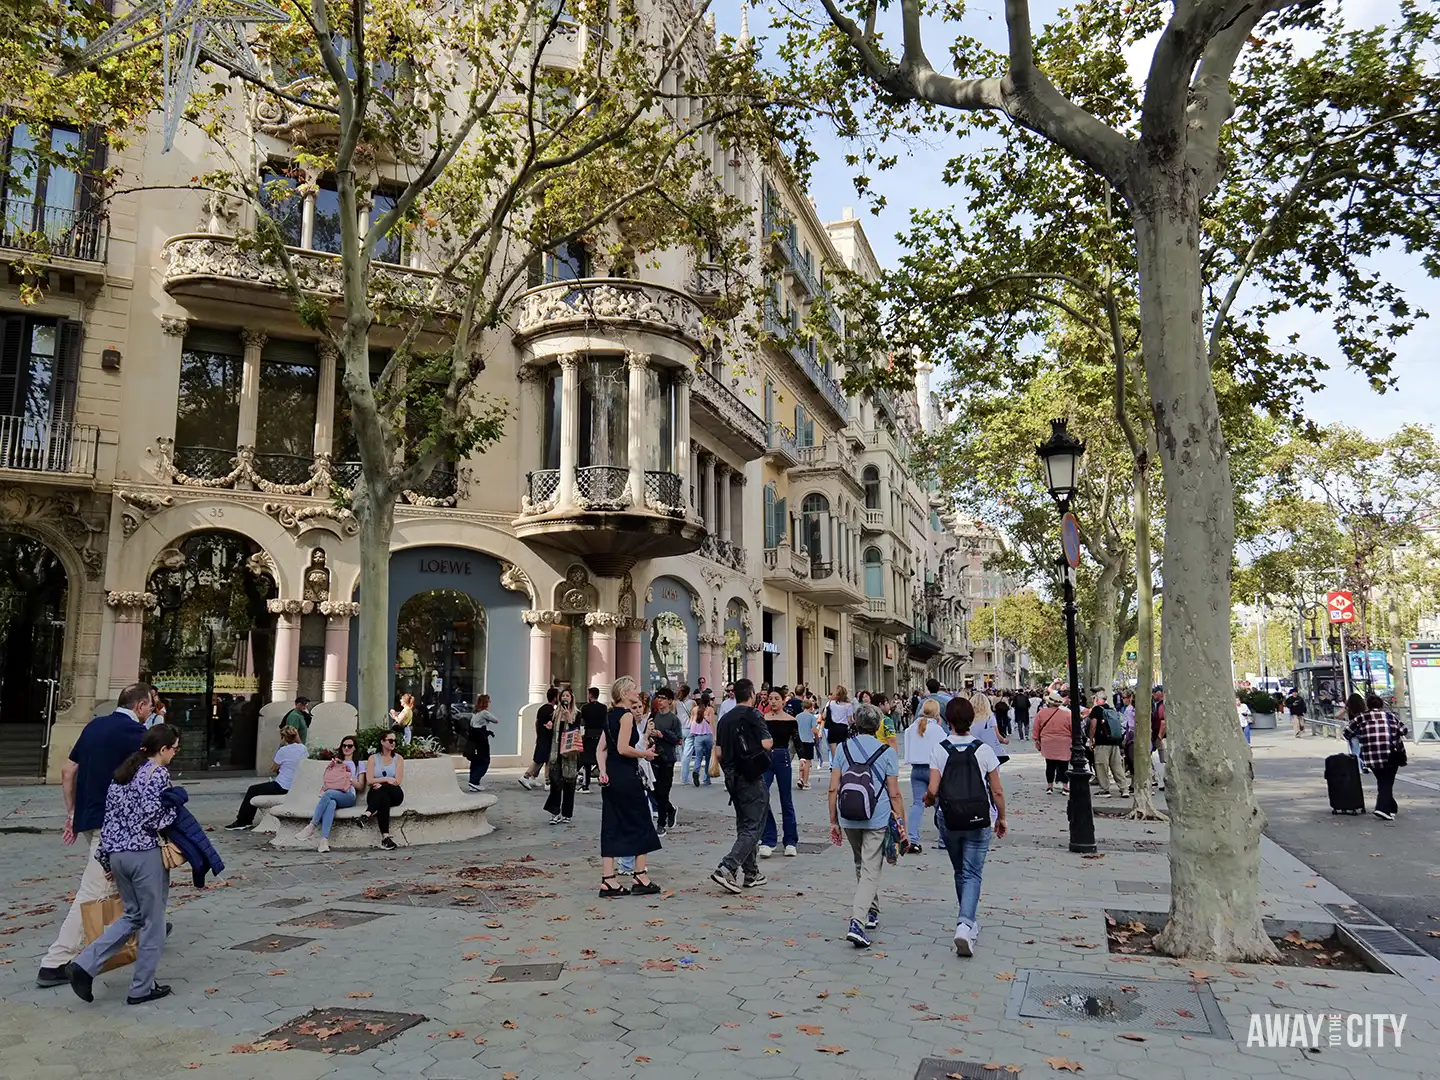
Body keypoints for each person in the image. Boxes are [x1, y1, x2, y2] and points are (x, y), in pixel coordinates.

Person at [37, 682, 153, 989]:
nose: (151, 711)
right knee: (94, 887)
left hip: (88, 817)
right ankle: (55, 961)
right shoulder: (137, 735)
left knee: (117, 880)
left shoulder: (93, 727)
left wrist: (72, 812)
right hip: (114, 824)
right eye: (150, 706)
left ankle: (141, 928)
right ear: (140, 706)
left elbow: (68, 771)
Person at [67, 723, 182, 1006]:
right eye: (175, 748)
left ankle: (85, 963)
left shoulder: (122, 775)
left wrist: (106, 857)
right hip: (145, 855)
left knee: (133, 916)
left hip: (118, 854)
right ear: (164, 749)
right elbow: (154, 818)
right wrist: (176, 805)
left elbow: (110, 821)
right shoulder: (157, 774)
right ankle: (141, 987)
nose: (175, 754)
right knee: (153, 921)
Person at [926, 697, 1006, 957]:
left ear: (947, 721)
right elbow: (997, 791)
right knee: (973, 873)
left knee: (960, 871)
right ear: (971, 720)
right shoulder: (983, 750)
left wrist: (927, 801)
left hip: (949, 820)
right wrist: (1002, 817)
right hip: (978, 820)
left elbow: (933, 790)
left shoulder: (940, 749)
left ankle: (966, 921)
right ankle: (965, 924)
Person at [829, 704, 905, 948]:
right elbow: (895, 794)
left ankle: (871, 911)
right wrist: (900, 823)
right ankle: (857, 923)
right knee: (871, 869)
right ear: (878, 726)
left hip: (848, 814)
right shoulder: (887, 752)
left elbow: (833, 787)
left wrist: (833, 820)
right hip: (877, 816)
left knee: (862, 863)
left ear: (855, 723)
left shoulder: (842, 748)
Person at [598, 676, 662, 897]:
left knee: (612, 823)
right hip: (626, 775)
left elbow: (602, 749)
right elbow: (625, 748)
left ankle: (608, 879)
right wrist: (645, 753)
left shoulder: (608, 716)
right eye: (634, 689)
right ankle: (640, 875)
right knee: (641, 821)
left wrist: (603, 771)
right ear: (624, 693)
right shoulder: (625, 716)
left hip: (612, 776)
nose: (637, 692)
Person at [711, 678, 772, 893]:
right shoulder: (754, 714)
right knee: (754, 826)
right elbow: (766, 743)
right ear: (753, 693)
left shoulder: (725, 718)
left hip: (731, 777)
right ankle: (726, 867)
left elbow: (718, 752)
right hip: (751, 775)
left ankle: (751, 872)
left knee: (744, 824)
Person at [224, 725, 306, 830]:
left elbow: (274, 768)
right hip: (295, 785)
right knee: (256, 789)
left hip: (282, 785)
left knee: (252, 790)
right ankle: (244, 820)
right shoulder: (303, 748)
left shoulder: (282, 751)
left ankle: (243, 821)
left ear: (283, 738)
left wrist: (282, 746)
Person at [294, 735, 365, 852]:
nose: (346, 748)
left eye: (350, 746)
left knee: (328, 794)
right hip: (333, 794)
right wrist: (335, 766)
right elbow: (328, 779)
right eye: (344, 746)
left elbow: (361, 787)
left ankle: (312, 825)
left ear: (354, 748)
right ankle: (324, 841)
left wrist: (349, 778)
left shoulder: (359, 764)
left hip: (348, 796)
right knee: (331, 803)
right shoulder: (336, 762)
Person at [1343, 693, 1408, 820]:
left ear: (1367, 705)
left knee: (1383, 781)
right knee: (1386, 782)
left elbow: (1347, 733)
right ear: (1382, 705)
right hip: (1391, 754)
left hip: (1371, 756)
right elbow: (1404, 730)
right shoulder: (1390, 717)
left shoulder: (1360, 718)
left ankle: (1391, 807)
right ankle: (1382, 809)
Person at [759, 690, 800, 858]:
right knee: (761, 796)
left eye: (777, 699)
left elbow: (797, 742)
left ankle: (790, 841)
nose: (773, 702)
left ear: (783, 701)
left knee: (786, 799)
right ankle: (768, 839)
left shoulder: (791, 720)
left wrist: (801, 758)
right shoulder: (763, 719)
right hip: (766, 759)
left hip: (783, 757)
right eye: (771, 699)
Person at [903, 698, 947, 853]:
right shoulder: (938, 730)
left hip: (916, 770)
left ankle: (913, 839)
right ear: (936, 713)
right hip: (934, 770)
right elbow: (944, 751)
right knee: (941, 805)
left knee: (917, 804)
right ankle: (943, 840)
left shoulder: (911, 728)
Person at [544, 688, 582, 824]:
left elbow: (577, 731)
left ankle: (567, 813)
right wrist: (549, 727)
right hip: (556, 752)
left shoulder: (577, 713)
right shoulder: (555, 713)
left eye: (567, 695)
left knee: (569, 783)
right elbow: (551, 734)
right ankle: (555, 812)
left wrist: (570, 719)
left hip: (570, 754)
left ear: (571, 698)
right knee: (555, 782)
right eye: (563, 696)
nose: (565, 698)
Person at [649, 686, 683, 835]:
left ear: (670, 701)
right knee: (653, 790)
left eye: (663, 698)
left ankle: (661, 823)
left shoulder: (674, 720)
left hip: (668, 758)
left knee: (663, 791)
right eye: (658, 697)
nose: (660, 701)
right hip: (653, 756)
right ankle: (670, 809)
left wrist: (662, 734)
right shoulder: (653, 716)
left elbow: (678, 739)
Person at [364, 732, 405, 849]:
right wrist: (387, 779)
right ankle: (385, 838)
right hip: (378, 794)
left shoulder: (398, 759)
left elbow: (397, 781)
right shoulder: (373, 758)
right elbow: (369, 780)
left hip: (395, 793)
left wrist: (382, 782)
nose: (393, 743)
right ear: (382, 742)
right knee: (383, 800)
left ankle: (368, 813)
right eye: (390, 740)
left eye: (395, 741)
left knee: (384, 790)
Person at [1087, 690, 1128, 796]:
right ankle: (1124, 789)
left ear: (1096, 699)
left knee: (1101, 766)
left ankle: (1105, 789)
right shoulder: (1112, 709)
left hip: (1102, 743)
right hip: (1114, 742)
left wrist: (1091, 739)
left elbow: (1093, 725)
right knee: (1117, 766)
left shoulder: (1096, 710)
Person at [1033, 692, 1073, 795]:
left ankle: (1049, 786)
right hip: (1064, 742)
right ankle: (1065, 787)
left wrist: (1036, 739)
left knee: (1050, 765)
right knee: (1064, 765)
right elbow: (1072, 728)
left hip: (1048, 741)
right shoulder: (1067, 714)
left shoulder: (1041, 713)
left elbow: (1036, 728)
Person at [521, 687, 558, 790]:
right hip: (547, 738)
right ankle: (527, 776)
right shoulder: (551, 711)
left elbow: (537, 722)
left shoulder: (542, 708)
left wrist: (538, 734)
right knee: (543, 760)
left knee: (543, 760)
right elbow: (551, 725)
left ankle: (542, 780)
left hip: (541, 737)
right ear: (555, 698)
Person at [466, 694, 499, 791]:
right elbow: (496, 720)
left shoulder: (475, 712)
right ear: (485, 703)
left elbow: (472, 724)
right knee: (484, 760)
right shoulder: (484, 713)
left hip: (473, 737)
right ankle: (475, 780)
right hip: (481, 738)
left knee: (475, 760)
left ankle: (473, 780)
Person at [579, 686, 608, 793]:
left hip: (589, 734)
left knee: (587, 761)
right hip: (600, 735)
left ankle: (585, 785)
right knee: (601, 758)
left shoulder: (585, 708)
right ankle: (603, 778)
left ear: (590, 696)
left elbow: (582, 722)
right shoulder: (603, 708)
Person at [969, 691, 1009, 765]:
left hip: (972, 750)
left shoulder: (968, 718)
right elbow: (996, 735)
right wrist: (1004, 740)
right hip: (988, 750)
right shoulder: (990, 717)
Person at [688, 691, 716, 786]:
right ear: (708, 701)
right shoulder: (710, 710)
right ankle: (706, 779)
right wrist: (714, 736)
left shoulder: (695, 709)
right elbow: (712, 723)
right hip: (708, 735)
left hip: (697, 737)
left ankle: (696, 771)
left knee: (698, 757)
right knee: (708, 757)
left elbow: (691, 722)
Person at [795, 693, 817, 790]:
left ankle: (800, 778)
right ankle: (806, 782)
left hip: (799, 740)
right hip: (808, 740)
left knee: (801, 760)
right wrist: (816, 736)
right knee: (808, 762)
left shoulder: (798, 716)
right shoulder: (812, 717)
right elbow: (814, 730)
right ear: (811, 707)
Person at [824, 686, 855, 756]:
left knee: (834, 753)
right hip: (843, 728)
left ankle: (835, 765)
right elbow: (850, 720)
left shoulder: (830, 703)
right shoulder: (848, 705)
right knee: (843, 751)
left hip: (832, 728)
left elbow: (824, 716)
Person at [1151, 685, 1167, 790]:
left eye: (1154, 693)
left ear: (1159, 693)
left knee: (1163, 759)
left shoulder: (1162, 706)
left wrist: (1160, 736)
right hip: (1160, 735)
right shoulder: (1159, 705)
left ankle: (1163, 782)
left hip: (1162, 736)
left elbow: (1163, 721)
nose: (1153, 695)